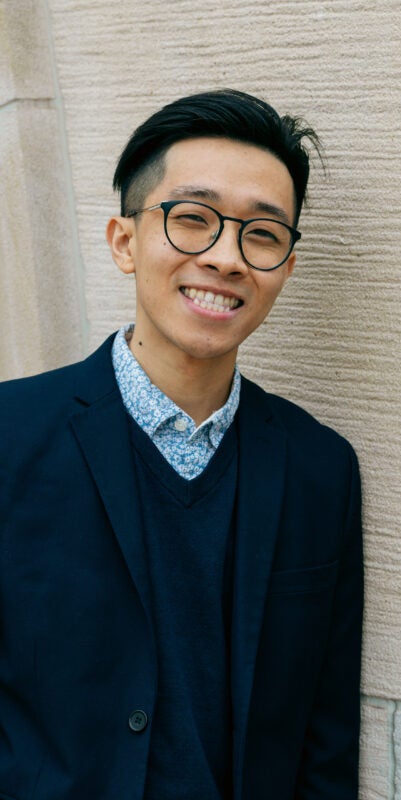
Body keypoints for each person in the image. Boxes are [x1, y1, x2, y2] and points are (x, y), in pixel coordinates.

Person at [0, 89, 363, 799]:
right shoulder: (11, 437)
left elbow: (326, 739)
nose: (227, 258)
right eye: (192, 219)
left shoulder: (321, 470)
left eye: (262, 234)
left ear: (285, 267)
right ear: (125, 242)